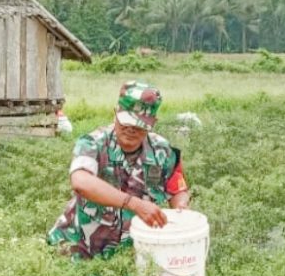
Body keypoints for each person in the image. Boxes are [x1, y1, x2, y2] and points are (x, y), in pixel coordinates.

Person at [47, 81, 190, 260]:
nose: (131, 130)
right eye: (126, 122)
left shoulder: (162, 150)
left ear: (152, 123)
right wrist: (135, 204)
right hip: (78, 248)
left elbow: (176, 187)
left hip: (126, 254)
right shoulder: (93, 143)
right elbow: (80, 181)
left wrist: (181, 211)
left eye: (139, 125)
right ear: (116, 113)